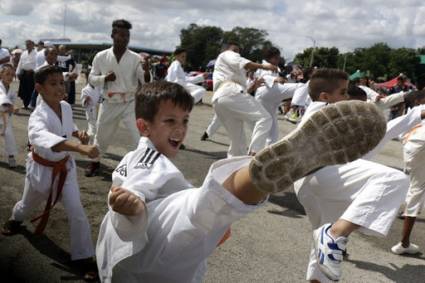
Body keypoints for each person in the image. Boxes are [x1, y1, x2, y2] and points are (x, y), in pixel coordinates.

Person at [95, 80, 386, 282]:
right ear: (143, 127)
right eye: (170, 121)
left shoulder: (147, 158)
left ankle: (255, 177)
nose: (181, 129)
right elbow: (134, 185)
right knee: (196, 207)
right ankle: (255, 176)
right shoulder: (147, 159)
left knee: (201, 210)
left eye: (185, 121)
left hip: (143, 260)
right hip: (147, 248)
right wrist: (131, 205)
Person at [294, 68, 425, 282]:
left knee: (322, 252)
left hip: (325, 187)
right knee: (394, 180)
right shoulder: (319, 111)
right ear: (326, 99)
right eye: (344, 95)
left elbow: (410, 116)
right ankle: (336, 235)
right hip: (321, 176)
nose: (361, 109)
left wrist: (406, 99)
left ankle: (330, 243)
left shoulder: (372, 128)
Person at [1, 65, 99, 280]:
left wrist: (77, 133)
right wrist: (80, 148)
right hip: (41, 170)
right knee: (28, 203)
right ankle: (16, 219)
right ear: (39, 88)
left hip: (65, 168)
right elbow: (47, 140)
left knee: (76, 210)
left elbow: (67, 126)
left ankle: (83, 257)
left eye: (61, 83)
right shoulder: (37, 116)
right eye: (53, 84)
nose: (60, 88)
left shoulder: (64, 106)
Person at [85, 19, 150, 177]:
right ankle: (95, 163)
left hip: (130, 102)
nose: (125, 38)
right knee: (101, 135)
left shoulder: (135, 58)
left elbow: (146, 81)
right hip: (109, 102)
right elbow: (91, 78)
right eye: (121, 35)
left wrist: (147, 70)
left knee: (139, 135)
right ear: (113, 35)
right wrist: (104, 78)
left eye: (127, 35)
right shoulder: (101, 56)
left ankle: (145, 169)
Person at [212, 41, 276, 157]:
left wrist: (253, 86)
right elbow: (243, 63)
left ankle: (231, 170)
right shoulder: (227, 54)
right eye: (235, 50)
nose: (237, 53)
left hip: (221, 99)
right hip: (230, 93)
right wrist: (264, 66)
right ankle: (255, 154)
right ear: (226, 49)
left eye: (238, 51)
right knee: (265, 118)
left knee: (238, 144)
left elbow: (242, 90)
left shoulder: (226, 67)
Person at [391, 89, 425, 255]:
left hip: (410, 145)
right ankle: (403, 243)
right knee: (416, 190)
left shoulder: (414, 110)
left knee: (415, 188)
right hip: (419, 144)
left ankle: (404, 242)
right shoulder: (419, 110)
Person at [254, 47, 303, 144]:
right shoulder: (265, 65)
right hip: (266, 91)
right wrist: (274, 79)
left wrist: (290, 76)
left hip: (270, 97)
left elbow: (283, 82)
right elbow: (264, 76)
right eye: (276, 58)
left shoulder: (277, 67)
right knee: (301, 87)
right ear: (269, 57)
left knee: (272, 130)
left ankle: (265, 151)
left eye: (278, 58)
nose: (278, 60)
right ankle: (293, 110)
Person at [0, 64, 18, 167]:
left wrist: (12, 108)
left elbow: (13, 102)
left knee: (9, 137)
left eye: (12, 75)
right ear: (1, 74)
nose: (10, 77)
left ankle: (11, 156)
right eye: (7, 74)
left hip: (6, 117)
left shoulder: (12, 91)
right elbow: (1, 97)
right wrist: (9, 106)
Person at [16, 40, 37, 109]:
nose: (28, 46)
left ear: (33, 45)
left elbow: (37, 63)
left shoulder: (36, 52)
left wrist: (33, 70)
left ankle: (30, 103)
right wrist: (18, 72)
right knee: (23, 89)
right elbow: (20, 63)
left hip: (32, 73)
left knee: (31, 89)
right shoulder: (24, 53)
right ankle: (25, 103)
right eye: (27, 44)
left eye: (29, 44)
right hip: (24, 72)